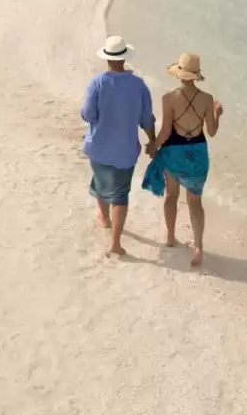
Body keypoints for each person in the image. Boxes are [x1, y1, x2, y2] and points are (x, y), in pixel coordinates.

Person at [142, 53, 222, 266]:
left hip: (173, 152)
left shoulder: (168, 98)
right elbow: (212, 132)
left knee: (171, 195)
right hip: (197, 154)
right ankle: (198, 247)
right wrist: (217, 114)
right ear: (196, 75)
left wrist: (153, 146)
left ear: (179, 74)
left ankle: (170, 237)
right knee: (195, 202)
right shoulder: (207, 99)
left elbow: (166, 131)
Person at [81, 36, 155, 257]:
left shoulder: (97, 83)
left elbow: (88, 114)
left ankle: (104, 218)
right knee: (121, 194)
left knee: (101, 182)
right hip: (125, 150)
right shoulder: (139, 85)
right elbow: (146, 119)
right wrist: (153, 141)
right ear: (124, 58)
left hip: (98, 146)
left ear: (107, 59)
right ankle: (115, 243)